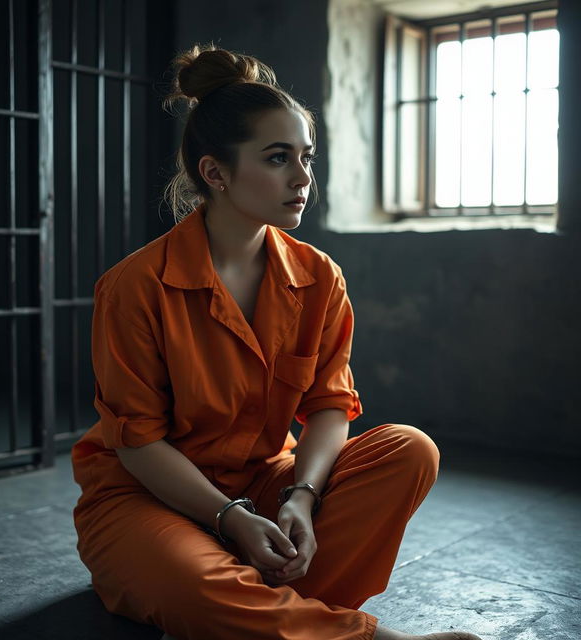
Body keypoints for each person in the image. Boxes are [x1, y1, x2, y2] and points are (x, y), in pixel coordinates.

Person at [71, 43, 484, 640]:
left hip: (267, 482)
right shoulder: (134, 287)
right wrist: (230, 517)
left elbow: (328, 406)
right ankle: (331, 629)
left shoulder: (319, 277)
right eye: (276, 158)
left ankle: (244, 610)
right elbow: (137, 444)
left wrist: (302, 497)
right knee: (186, 581)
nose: (302, 178)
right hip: (145, 498)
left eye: (306, 158)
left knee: (410, 449)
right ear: (215, 173)